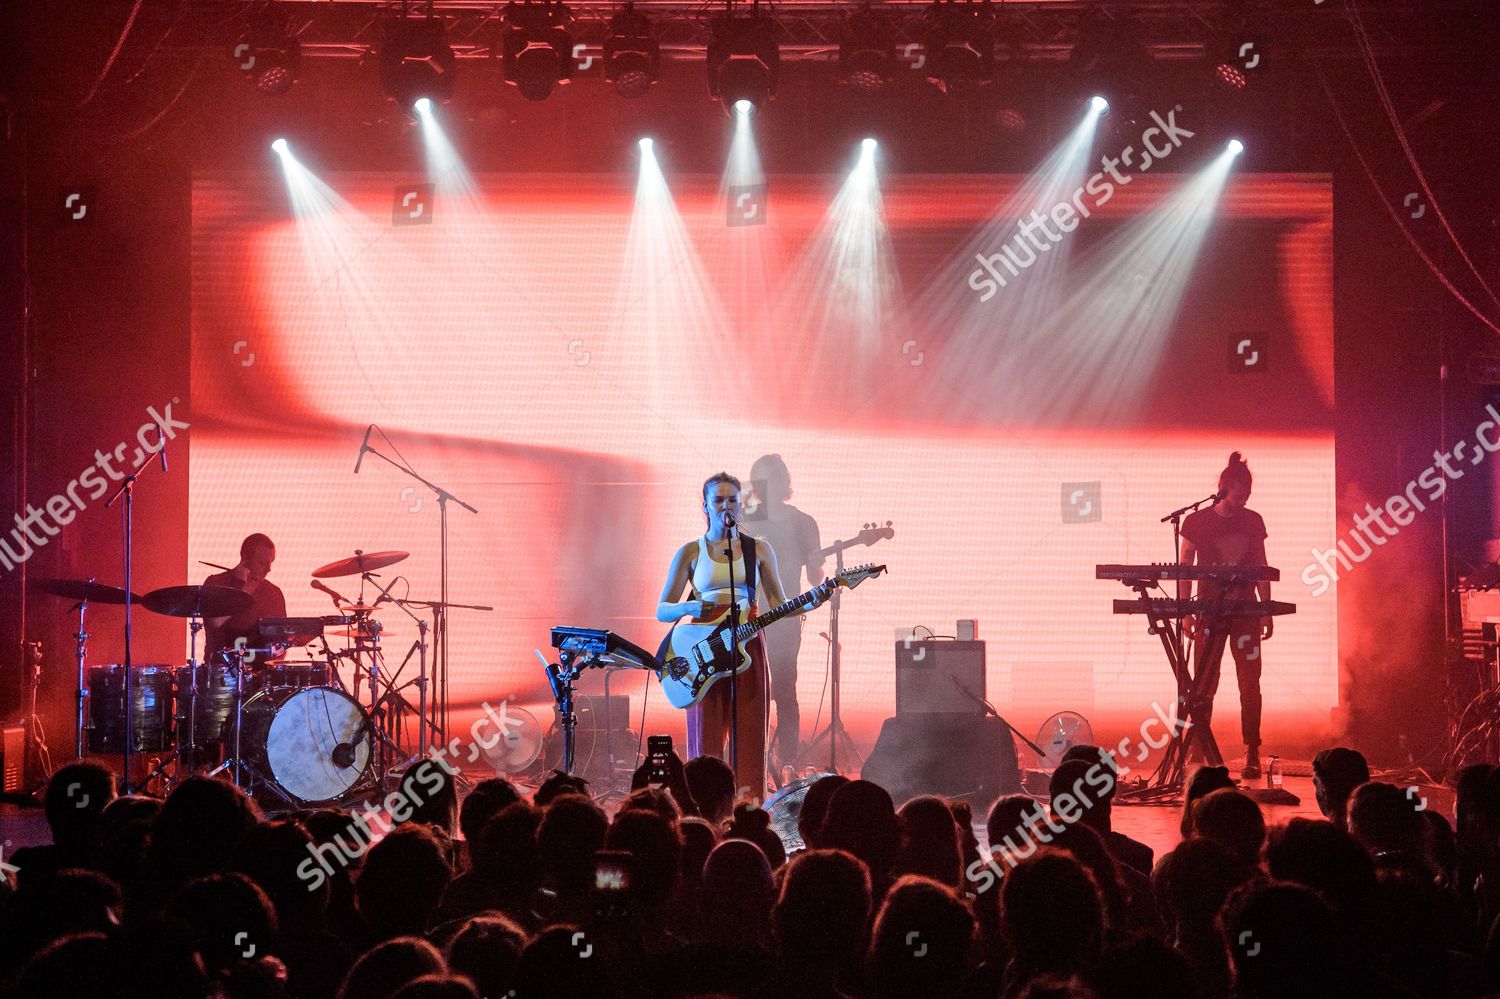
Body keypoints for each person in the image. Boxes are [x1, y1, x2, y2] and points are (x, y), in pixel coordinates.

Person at [657, 472, 822, 798]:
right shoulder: (691, 552)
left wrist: (811, 600)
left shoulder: (758, 550)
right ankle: (705, 805)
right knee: (706, 738)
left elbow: (780, 605)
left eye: (731, 499)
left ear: (740, 505)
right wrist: (691, 605)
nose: (725, 506)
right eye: (718, 500)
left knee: (750, 736)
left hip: (747, 645)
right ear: (705, 505)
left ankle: (747, 811)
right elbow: (663, 609)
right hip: (704, 645)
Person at [1179, 452, 1272, 779]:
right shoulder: (1196, 522)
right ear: (1223, 489)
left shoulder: (1253, 521)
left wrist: (1265, 608)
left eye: (1248, 495)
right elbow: (1184, 569)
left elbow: (1262, 566)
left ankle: (1252, 751)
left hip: (1245, 613)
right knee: (1204, 684)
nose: (1244, 500)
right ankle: (1199, 748)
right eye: (1239, 494)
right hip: (1209, 614)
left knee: (1250, 681)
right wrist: (1185, 611)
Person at [744, 454, 824, 770]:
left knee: (784, 687)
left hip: (785, 618)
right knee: (749, 687)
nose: (765, 488)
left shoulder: (804, 523)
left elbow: (815, 579)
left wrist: (816, 564)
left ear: (783, 482)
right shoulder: (746, 518)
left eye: (771, 480)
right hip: (747, 616)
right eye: (759, 481)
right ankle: (751, 754)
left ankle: (787, 759)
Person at [203, 533, 287, 656]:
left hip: (261, 670)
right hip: (221, 668)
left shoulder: (273, 593)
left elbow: (280, 641)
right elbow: (215, 622)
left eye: (271, 563)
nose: (268, 569)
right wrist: (240, 585)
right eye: (262, 563)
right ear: (245, 558)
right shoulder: (216, 583)